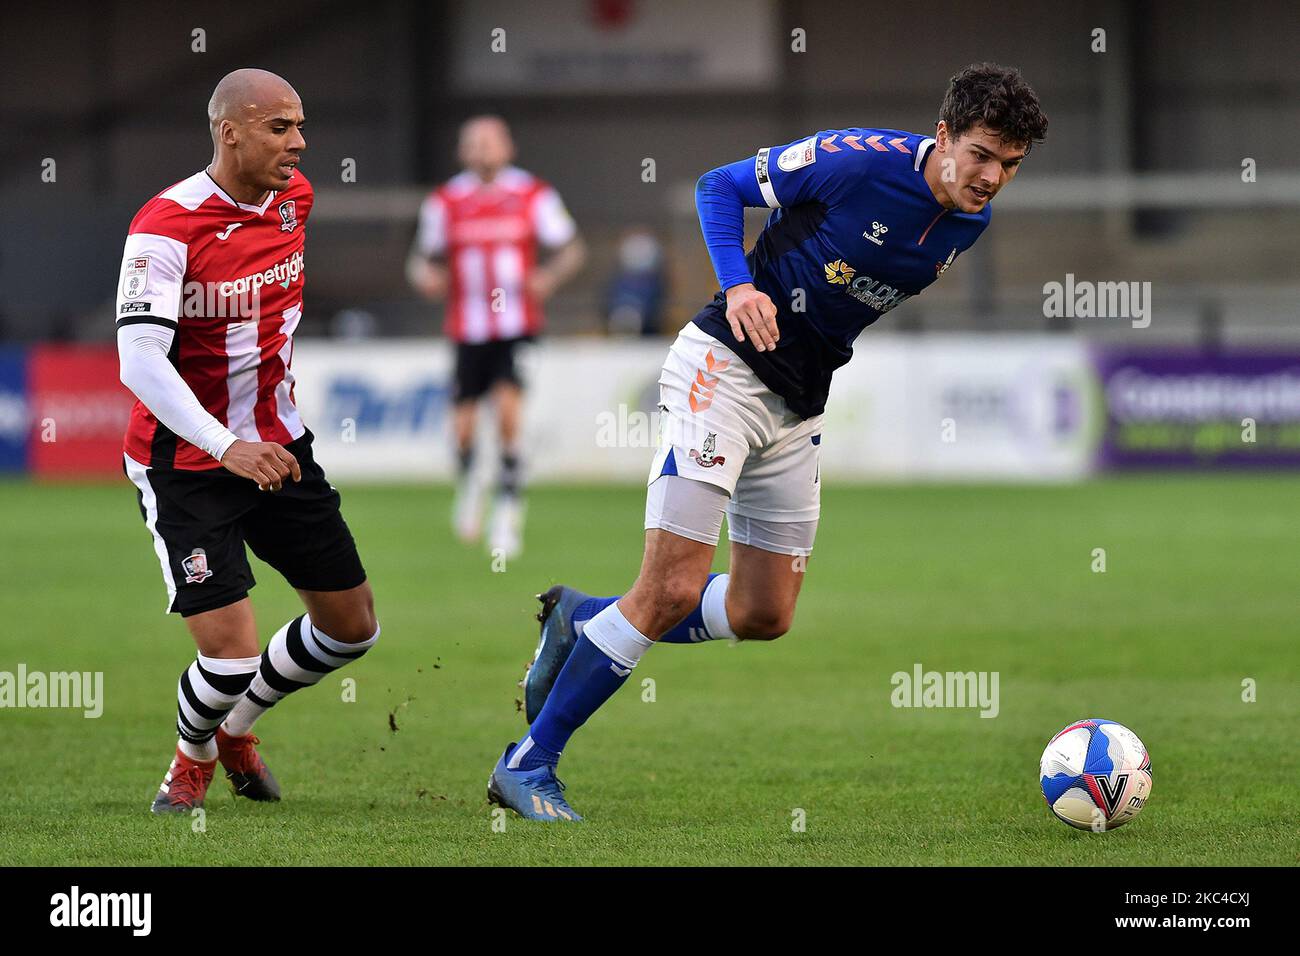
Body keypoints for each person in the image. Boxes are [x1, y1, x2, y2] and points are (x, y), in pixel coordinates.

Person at [487, 63, 1048, 821]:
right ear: (943, 134)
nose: (991, 177)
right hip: (722, 371)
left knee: (764, 613)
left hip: (797, 407)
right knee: (673, 587)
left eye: (1009, 165)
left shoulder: (971, 222)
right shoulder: (859, 161)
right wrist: (739, 283)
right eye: (981, 154)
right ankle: (529, 762)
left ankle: (582, 618)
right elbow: (718, 186)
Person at [116, 68, 379, 814]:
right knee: (229, 657)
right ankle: (191, 757)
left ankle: (236, 731)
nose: (299, 143)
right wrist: (224, 443)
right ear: (229, 131)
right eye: (279, 127)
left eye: (300, 126)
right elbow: (139, 359)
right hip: (186, 462)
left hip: (281, 446)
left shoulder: (296, 199)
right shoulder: (164, 225)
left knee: (352, 629)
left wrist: (254, 437)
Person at [407, 116, 586, 559]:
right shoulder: (445, 201)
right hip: (468, 329)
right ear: (462, 151)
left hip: (517, 327)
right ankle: (471, 483)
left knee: (508, 414)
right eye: (474, 143)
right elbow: (420, 260)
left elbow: (571, 248)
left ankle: (508, 511)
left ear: (508, 147)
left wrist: (548, 277)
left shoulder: (533, 194)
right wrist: (425, 277)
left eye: (491, 142)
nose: (483, 150)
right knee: (464, 427)